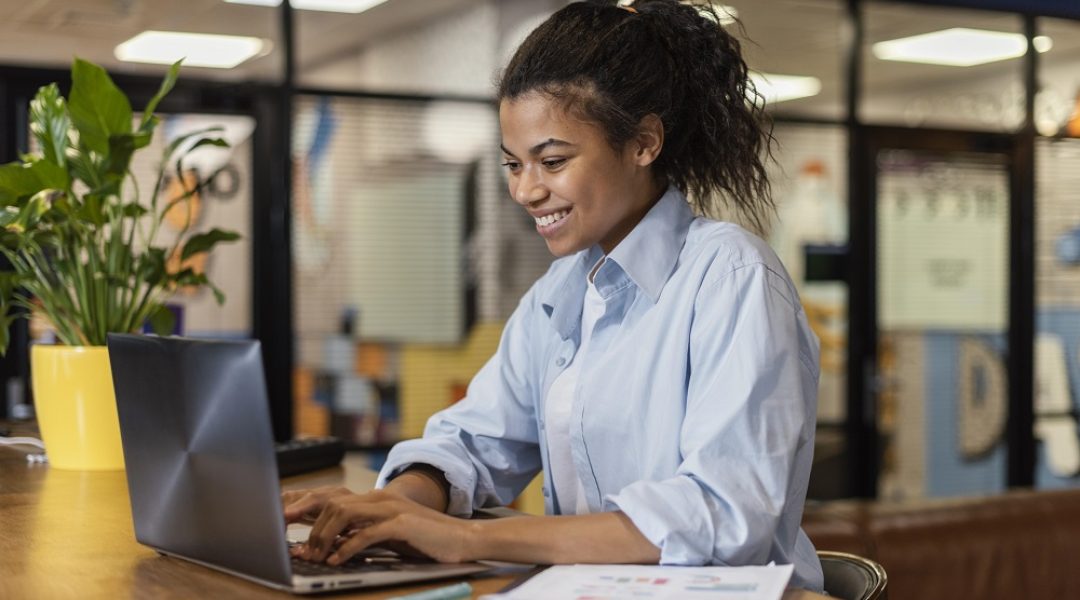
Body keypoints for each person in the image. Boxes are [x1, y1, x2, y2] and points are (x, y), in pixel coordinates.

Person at [283, 0, 824, 591]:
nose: (526, 190)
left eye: (553, 161)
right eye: (513, 165)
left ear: (644, 143)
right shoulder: (559, 293)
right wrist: (402, 506)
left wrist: (468, 538)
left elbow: (722, 515)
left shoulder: (731, 278)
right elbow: (473, 440)